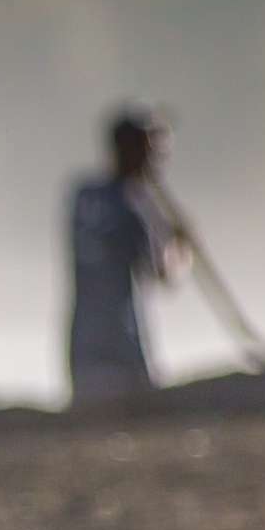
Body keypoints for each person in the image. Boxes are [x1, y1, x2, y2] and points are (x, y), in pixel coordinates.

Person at [64, 104, 187, 403]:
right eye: (152, 151)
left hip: (83, 342)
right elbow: (164, 275)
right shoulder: (135, 206)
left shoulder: (84, 195)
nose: (157, 160)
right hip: (123, 344)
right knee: (136, 409)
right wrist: (180, 246)